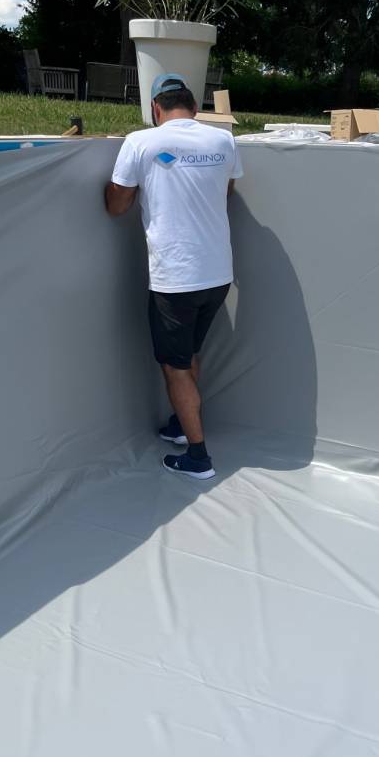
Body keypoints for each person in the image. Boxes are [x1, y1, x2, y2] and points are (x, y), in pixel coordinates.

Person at [105, 73, 243, 480]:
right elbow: (227, 191)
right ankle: (182, 425)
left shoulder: (141, 142)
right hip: (218, 273)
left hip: (176, 276)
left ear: (155, 109)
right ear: (195, 108)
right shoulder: (223, 140)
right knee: (189, 354)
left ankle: (198, 457)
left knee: (175, 367)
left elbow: (116, 206)